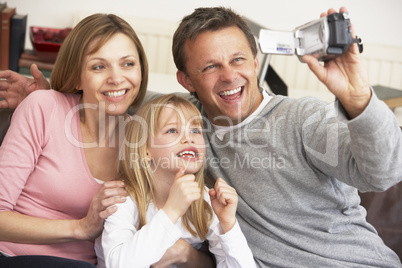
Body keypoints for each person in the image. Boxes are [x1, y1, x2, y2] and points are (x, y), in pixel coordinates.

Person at [1, 6, 402, 268]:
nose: (229, 76)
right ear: (186, 79)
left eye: (238, 59)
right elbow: (126, 108)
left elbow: (382, 173)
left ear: (256, 62)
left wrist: (359, 99)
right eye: (211, 66)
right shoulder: (182, 135)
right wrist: (56, 95)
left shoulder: (304, 118)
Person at [0, 13, 212, 268]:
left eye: (127, 64)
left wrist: (188, 254)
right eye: (99, 66)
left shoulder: (145, 137)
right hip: (12, 256)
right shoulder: (43, 107)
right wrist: (81, 228)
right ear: (76, 76)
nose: (116, 78)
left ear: (141, 72)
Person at [96, 94, 255, 268]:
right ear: (145, 150)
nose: (189, 138)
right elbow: (118, 264)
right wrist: (172, 210)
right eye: (172, 130)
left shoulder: (205, 200)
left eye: (195, 130)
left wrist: (228, 225)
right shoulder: (123, 197)